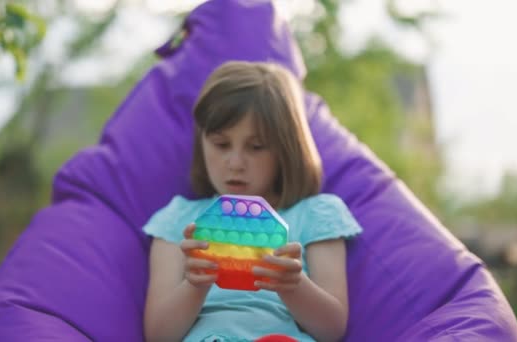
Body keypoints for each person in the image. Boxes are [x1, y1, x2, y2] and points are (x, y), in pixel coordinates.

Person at [143, 61, 363, 342]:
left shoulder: (315, 214)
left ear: (285, 149)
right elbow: (158, 336)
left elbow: (332, 331)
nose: (235, 163)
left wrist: (293, 286)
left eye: (256, 147)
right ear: (202, 143)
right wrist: (195, 286)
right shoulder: (178, 219)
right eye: (221, 145)